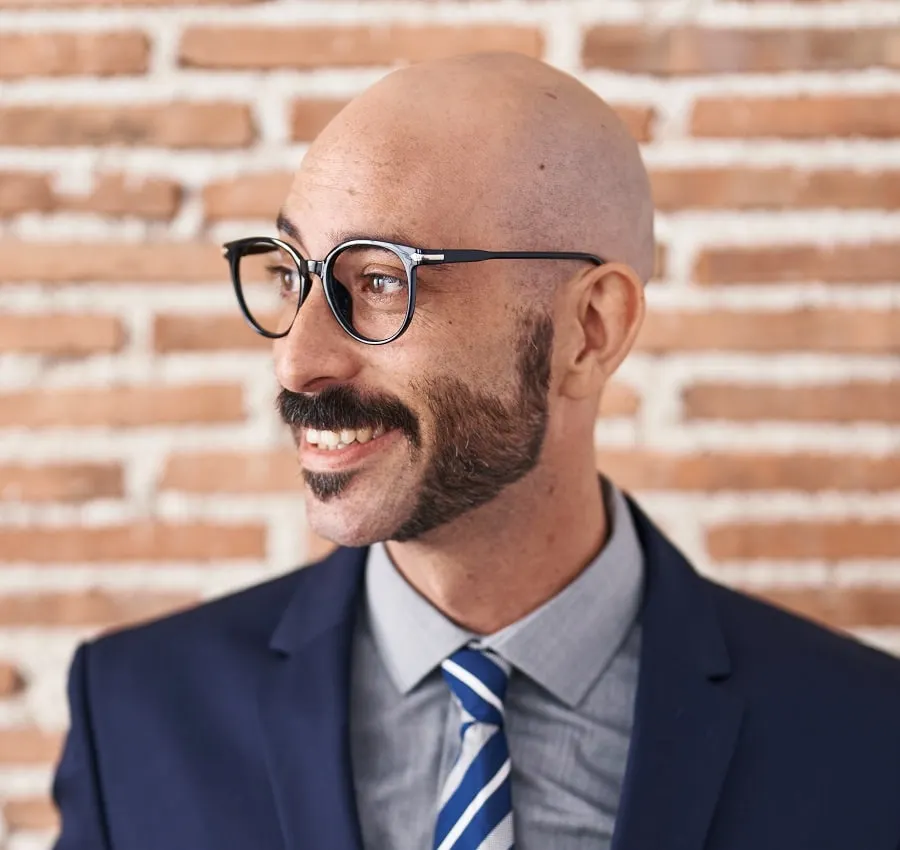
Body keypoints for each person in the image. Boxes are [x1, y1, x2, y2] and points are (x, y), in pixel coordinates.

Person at [52, 52, 900, 850]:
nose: (297, 358)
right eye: (292, 276)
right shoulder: (135, 715)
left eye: (381, 280)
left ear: (589, 331)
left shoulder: (864, 737)